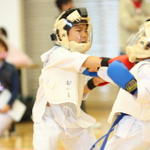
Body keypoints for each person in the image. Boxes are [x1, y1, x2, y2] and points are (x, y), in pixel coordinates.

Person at [32, 8, 105, 150]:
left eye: (85, 30)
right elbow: (95, 62)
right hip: (48, 118)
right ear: (63, 33)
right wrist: (122, 63)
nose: (84, 35)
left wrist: (93, 83)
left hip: (71, 116)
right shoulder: (59, 55)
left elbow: (78, 92)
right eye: (78, 31)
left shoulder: (76, 58)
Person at [97, 19, 150, 150]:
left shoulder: (146, 67)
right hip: (139, 125)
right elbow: (120, 77)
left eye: (141, 38)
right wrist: (99, 69)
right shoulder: (141, 66)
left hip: (134, 126)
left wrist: (131, 87)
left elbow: (145, 93)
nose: (137, 42)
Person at [0, 34, 19, 136]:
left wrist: (8, 104)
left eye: (1, 47)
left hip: (7, 106)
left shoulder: (11, 68)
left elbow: (16, 90)